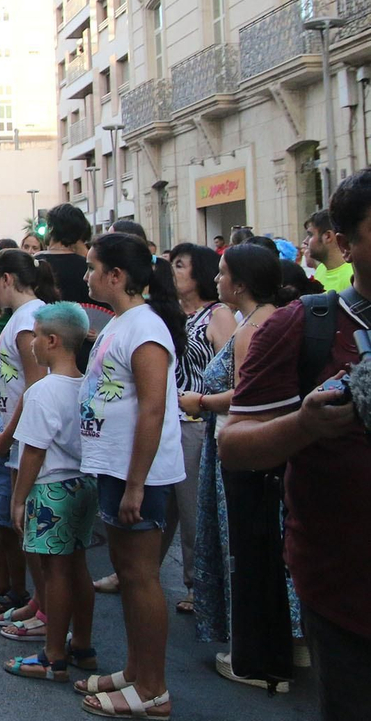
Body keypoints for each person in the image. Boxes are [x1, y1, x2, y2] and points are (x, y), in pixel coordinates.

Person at [223, 170, 371, 721]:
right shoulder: (301, 326)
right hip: (345, 592)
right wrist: (305, 426)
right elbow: (235, 447)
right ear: (347, 243)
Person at [73, 232, 187, 718]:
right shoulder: (123, 323)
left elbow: (153, 408)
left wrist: (137, 482)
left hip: (137, 473)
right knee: (128, 573)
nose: (86, 275)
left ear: (116, 276)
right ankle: (136, 671)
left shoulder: (147, 329)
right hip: (115, 466)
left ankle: (153, 689)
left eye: (92, 266)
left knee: (140, 578)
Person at [185, 244, 298, 693]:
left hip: (245, 448)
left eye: (223, 273)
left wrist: (199, 401)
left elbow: (244, 394)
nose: (217, 280)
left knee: (249, 552)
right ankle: (282, 644)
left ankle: (258, 654)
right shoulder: (265, 319)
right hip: (249, 445)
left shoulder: (255, 327)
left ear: (242, 282)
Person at [5, 302, 99, 682]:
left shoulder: (43, 391)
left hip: (50, 488)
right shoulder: (89, 385)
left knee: (55, 572)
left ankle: (53, 655)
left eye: (38, 337)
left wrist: (19, 498)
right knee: (78, 568)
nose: (32, 345)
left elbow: (33, 450)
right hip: (84, 483)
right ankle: (83, 645)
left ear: (54, 341)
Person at [0, 249, 58, 615]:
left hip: (17, 436)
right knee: (2, 519)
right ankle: (9, 586)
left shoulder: (27, 321)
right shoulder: (19, 318)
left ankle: (35, 600)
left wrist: (6, 437)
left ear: (7, 279)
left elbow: (35, 387)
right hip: (7, 429)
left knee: (19, 523)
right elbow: (13, 383)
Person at [163, 243, 235, 616]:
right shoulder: (174, 314)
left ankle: (197, 583)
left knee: (192, 509)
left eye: (180, 265)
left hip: (198, 420)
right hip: (171, 418)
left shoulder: (218, 316)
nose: (173, 271)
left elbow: (231, 367)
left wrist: (204, 402)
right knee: (163, 505)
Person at [304, 209, 351, 292]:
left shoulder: (352, 277)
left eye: (310, 235)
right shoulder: (320, 269)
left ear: (328, 236)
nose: (305, 241)